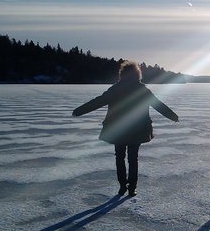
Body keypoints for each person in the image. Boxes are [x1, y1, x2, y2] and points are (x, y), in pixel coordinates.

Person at [72, 61, 179, 197]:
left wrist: (80, 111)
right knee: (132, 158)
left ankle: (123, 186)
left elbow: (98, 101)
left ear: (122, 75)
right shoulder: (141, 90)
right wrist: (173, 116)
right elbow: (158, 105)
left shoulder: (117, 89)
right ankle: (131, 188)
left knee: (120, 157)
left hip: (119, 129)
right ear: (137, 75)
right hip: (137, 129)